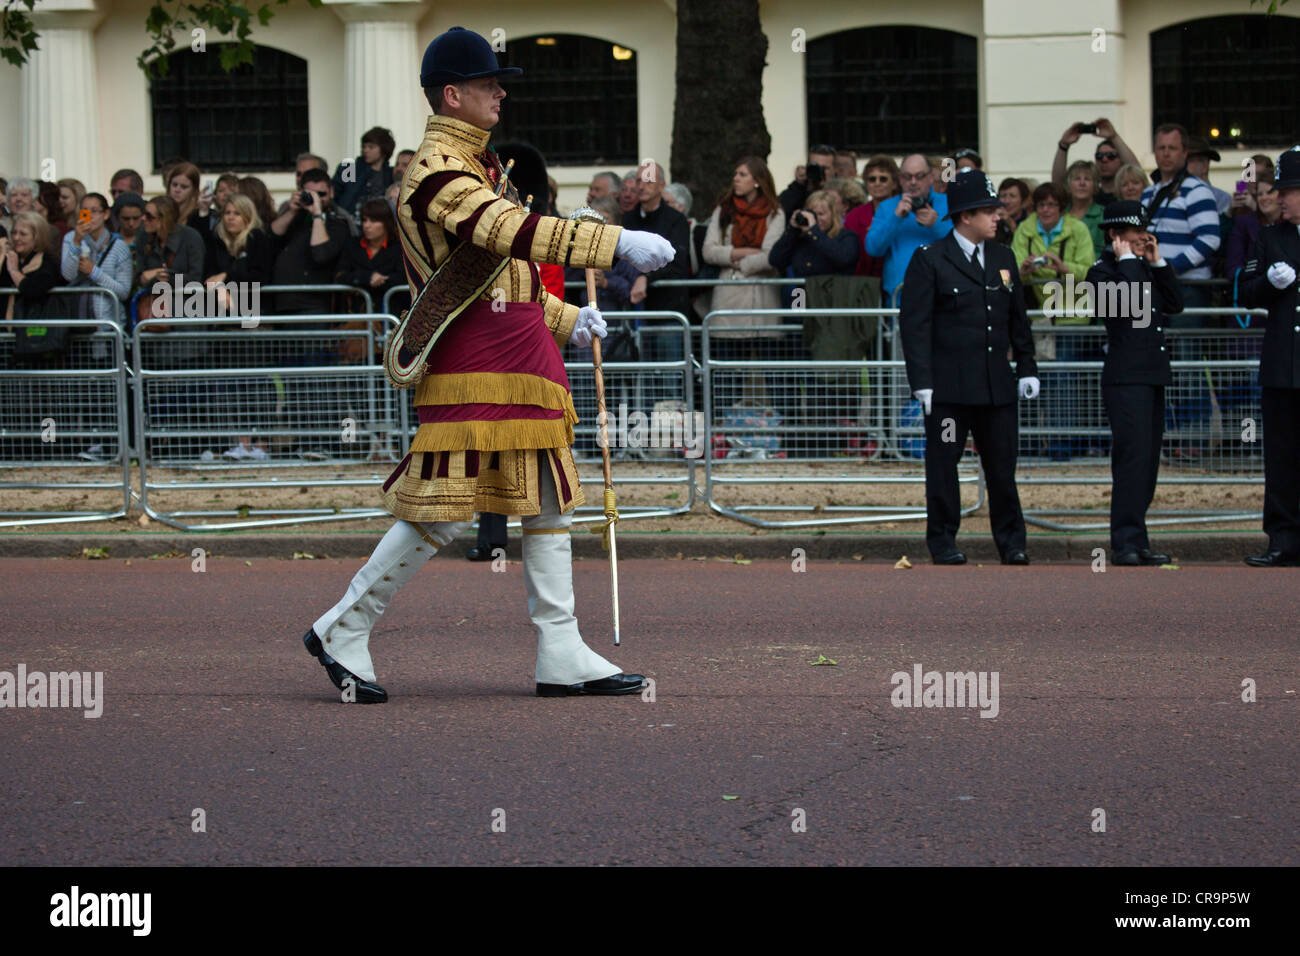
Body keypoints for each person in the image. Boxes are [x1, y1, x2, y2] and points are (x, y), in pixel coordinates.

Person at [301, 25, 675, 702]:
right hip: (475, 364)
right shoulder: (438, 169)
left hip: (519, 357)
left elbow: (505, 278)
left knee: (550, 502)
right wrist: (613, 243)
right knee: (441, 508)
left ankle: (560, 648)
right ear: (452, 94)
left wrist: (567, 318)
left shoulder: (476, 165)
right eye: (488, 83)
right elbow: (508, 234)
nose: (500, 93)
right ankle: (343, 626)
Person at [899, 168, 1039, 565]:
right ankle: (943, 540)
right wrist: (921, 381)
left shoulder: (1003, 256)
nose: (998, 216)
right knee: (944, 467)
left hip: (996, 388)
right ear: (965, 216)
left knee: (1002, 469)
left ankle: (1012, 542)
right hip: (948, 391)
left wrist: (1027, 365)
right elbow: (915, 325)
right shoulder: (930, 259)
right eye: (988, 210)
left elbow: (1017, 319)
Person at [1088, 201, 1183, 565]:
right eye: (1134, 232)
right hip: (1125, 378)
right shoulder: (1102, 272)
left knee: (1147, 461)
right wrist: (1129, 262)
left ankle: (1138, 539)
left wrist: (1157, 263)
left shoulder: (1143, 267)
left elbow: (1175, 304)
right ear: (1115, 236)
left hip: (1152, 374)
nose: (1143, 236)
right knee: (1130, 460)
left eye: (1144, 229)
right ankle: (1125, 542)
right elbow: (1127, 306)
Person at [1241, 147, 1300, 567]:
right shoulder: (1270, 237)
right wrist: (1269, 283)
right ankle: (1282, 538)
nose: (1281, 198)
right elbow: (1244, 293)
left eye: (1290, 191)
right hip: (1283, 363)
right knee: (1281, 457)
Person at [1012, 181, 1095, 459]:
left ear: (1062, 207)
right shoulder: (1025, 229)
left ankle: (1064, 446)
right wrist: (1023, 270)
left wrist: (1064, 268)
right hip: (1036, 316)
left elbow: (1090, 272)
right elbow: (1007, 272)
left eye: (1051, 205)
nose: (1046, 210)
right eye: (1041, 205)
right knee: (1030, 376)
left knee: (1064, 381)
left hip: (1070, 315)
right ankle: (1029, 444)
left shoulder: (1078, 229)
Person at [865, 153, 952, 306]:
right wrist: (895, 218)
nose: (913, 182)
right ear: (899, 178)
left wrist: (936, 224)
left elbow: (965, 243)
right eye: (907, 176)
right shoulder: (888, 207)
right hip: (900, 297)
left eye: (919, 176)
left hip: (943, 294)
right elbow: (873, 248)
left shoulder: (947, 203)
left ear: (931, 177)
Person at [59, 192, 132, 328]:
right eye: (84, 211)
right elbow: (68, 275)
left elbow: (123, 292)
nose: (89, 216)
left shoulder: (119, 246)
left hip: (108, 323)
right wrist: (77, 242)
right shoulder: (70, 238)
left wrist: (93, 272)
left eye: (95, 211)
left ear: (106, 214)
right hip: (78, 320)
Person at [1052, 119, 1141, 204]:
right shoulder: (1087, 194)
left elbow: (1137, 172)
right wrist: (1063, 145)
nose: (1104, 159)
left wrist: (1114, 137)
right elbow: (1057, 186)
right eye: (1099, 156)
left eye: (1111, 156)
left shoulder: (1128, 192)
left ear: (1121, 160)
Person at [844, 155, 898, 277]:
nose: (877, 183)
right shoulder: (854, 216)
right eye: (872, 179)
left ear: (894, 184)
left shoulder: (904, 211)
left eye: (883, 179)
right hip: (864, 281)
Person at [332, 126, 396, 223]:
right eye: (364, 146)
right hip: (348, 224)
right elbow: (334, 194)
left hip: (378, 226)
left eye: (371, 147)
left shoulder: (390, 173)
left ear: (383, 149)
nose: (365, 150)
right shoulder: (349, 168)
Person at [778, 144, 836, 220]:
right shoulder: (798, 192)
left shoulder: (840, 195)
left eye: (824, 168)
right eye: (816, 167)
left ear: (834, 170)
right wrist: (798, 185)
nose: (819, 172)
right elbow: (783, 211)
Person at [1065, 160, 1105, 255]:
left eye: (1087, 179)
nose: (1082, 183)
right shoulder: (1059, 214)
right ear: (1069, 184)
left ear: (1095, 185)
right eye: (1077, 179)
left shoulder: (1104, 214)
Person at [993, 178, 1030, 246]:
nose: (1007, 201)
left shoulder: (1030, 222)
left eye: (1012, 196)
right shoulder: (994, 221)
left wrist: (1012, 226)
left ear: (1023, 201)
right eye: (1003, 196)